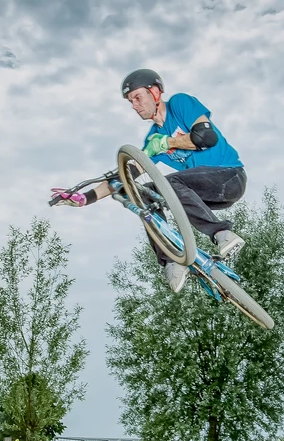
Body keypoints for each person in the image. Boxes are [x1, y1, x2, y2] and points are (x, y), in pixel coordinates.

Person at [51, 69, 248, 292]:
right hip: (200, 193)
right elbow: (125, 175)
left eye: (137, 98)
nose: (134, 105)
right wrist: (85, 198)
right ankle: (172, 259)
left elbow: (206, 137)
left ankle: (222, 233)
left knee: (170, 183)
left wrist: (168, 143)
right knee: (144, 193)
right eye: (130, 101)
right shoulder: (153, 138)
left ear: (155, 92)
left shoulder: (179, 104)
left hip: (229, 177)